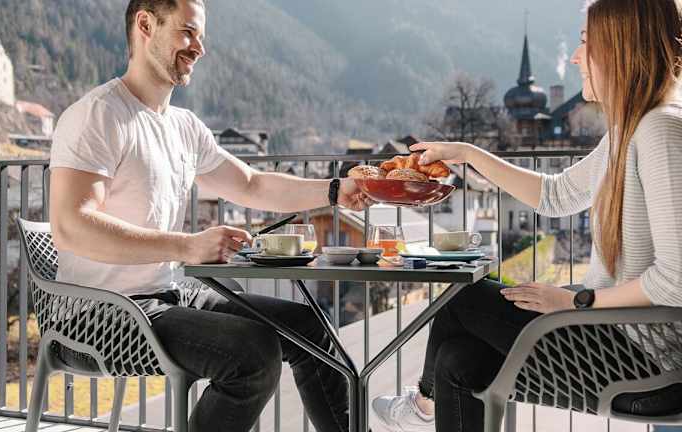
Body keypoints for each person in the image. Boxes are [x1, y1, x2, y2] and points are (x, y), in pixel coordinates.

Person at [48, 1, 375, 431]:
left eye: (200, 36)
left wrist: (335, 190)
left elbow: (251, 184)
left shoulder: (183, 127)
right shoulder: (98, 115)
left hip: (168, 295)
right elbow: (71, 226)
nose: (199, 47)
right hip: (96, 314)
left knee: (308, 327)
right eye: (187, 32)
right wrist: (187, 246)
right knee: (253, 354)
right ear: (145, 24)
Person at [372, 0, 682, 430]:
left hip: (649, 365)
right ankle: (424, 405)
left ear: (621, 47)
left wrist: (576, 301)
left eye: (585, 42)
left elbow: (677, 279)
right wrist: (469, 154)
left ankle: (422, 405)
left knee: (463, 296)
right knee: (458, 360)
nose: (576, 57)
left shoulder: (660, 130)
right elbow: (555, 195)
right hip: (613, 340)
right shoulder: (628, 131)